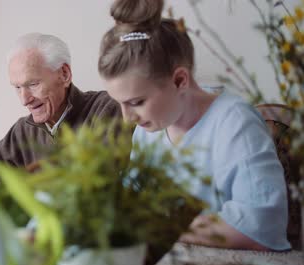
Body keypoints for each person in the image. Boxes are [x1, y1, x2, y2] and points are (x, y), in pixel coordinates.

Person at [97, 0, 290, 251]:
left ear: (179, 80)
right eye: (120, 104)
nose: (127, 118)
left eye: (137, 102)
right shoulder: (150, 128)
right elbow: (133, 198)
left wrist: (161, 225)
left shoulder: (235, 123)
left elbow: (263, 225)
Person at [0, 33, 120, 186]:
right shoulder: (24, 129)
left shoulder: (107, 108)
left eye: (33, 84)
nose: (24, 100)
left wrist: (10, 192)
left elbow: (97, 184)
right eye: (17, 87)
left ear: (64, 74)